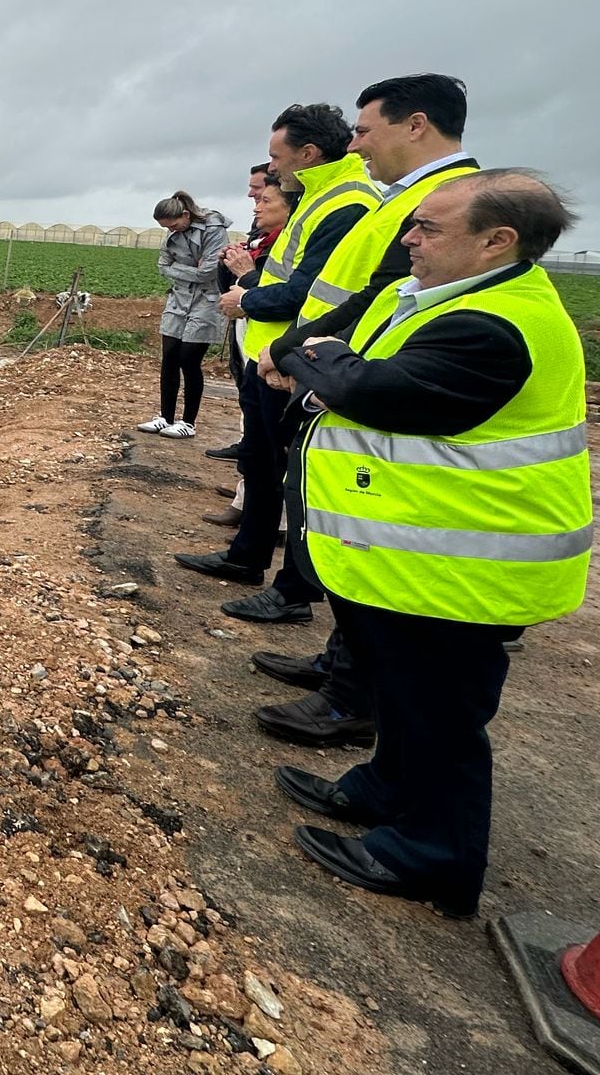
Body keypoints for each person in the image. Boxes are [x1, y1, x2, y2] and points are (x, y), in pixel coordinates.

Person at [272, 170, 589, 919]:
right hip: (413, 562)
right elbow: (322, 356)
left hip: (467, 570)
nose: (409, 239)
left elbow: (375, 390)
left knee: (442, 718)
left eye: (429, 228)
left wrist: (328, 365)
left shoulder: (496, 325)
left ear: (497, 241)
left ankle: (431, 855)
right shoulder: (445, 299)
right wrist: (328, 362)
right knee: (402, 698)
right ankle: (387, 790)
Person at [242, 75, 478, 749]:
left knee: (362, 543)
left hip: (354, 385)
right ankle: (341, 671)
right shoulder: (396, 199)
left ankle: (351, 696)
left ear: (417, 125)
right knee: (336, 526)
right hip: (334, 376)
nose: (356, 141)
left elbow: (374, 297)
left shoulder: (445, 203)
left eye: (366, 128)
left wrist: (293, 351)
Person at [175, 105, 378, 591]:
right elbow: (286, 275)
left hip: (296, 359)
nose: (270, 170)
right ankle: (246, 557)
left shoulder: (346, 203)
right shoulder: (317, 196)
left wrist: (248, 298)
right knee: (263, 464)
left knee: (295, 473)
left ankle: (295, 589)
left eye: (276, 157)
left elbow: (304, 291)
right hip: (273, 354)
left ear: (308, 154)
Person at [137, 192, 230, 438]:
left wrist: (176, 268)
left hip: (205, 301)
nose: (172, 231)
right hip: (178, 298)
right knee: (169, 357)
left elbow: (209, 272)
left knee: (189, 359)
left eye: (175, 225)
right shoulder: (173, 233)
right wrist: (189, 269)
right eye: (167, 228)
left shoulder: (213, 228)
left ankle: (188, 422)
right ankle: (164, 417)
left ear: (186, 215)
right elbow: (162, 265)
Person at [204, 164, 272, 463]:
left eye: (260, 194)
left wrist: (245, 275)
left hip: (268, 333)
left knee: (263, 412)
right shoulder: (259, 236)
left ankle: (250, 475)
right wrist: (225, 266)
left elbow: (279, 294)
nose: (252, 198)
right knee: (247, 392)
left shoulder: (283, 240)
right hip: (248, 322)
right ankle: (246, 469)